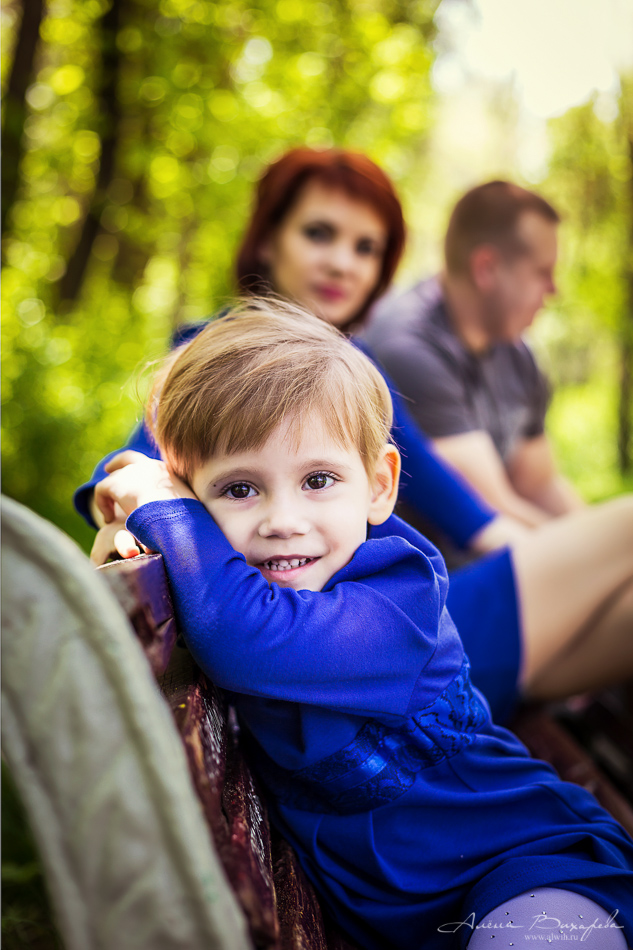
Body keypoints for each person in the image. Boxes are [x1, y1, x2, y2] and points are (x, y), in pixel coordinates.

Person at [93, 302, 633, 950]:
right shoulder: (241, 587)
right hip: (397, 912)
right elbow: (118, 549)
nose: (281, 519)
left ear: (378, 485)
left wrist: (161, 505)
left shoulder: (399, 600)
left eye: (318, 479)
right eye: (240, 489)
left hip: (520, 868)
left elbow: (247, 642)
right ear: (197, 499)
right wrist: (135, 510)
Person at [75, 148, 633, 726]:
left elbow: (474, 518)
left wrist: (576, 579)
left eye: (366, 248)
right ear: (269, 240)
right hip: (359, 647)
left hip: (389, 641)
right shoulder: (217, 359)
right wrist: (126, 505)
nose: (344, 263)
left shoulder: (356, 373)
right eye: (320, 234)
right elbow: (117, 479)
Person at [364, 180, 583, 527]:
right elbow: (492, 510)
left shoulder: (519, 355)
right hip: (434, 572)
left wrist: (602, 538)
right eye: (543, 272)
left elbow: (540, 484)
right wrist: (605, 554)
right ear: (486, 268)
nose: (554, 290)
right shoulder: (408, 349)